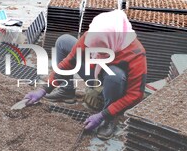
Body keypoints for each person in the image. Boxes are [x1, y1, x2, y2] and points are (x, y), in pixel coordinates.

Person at [23, 10, 147, 140]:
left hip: (114, 86)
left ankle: (109, 118)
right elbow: (68, 63)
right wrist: (44, 89)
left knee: (115, 75)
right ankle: (67, 90)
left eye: (101, 53)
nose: (95, 56)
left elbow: (135, 94)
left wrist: (103, 115)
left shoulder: (135, 52)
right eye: (93, 51)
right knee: (63, 41)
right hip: (95, 75)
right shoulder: (92, 36)